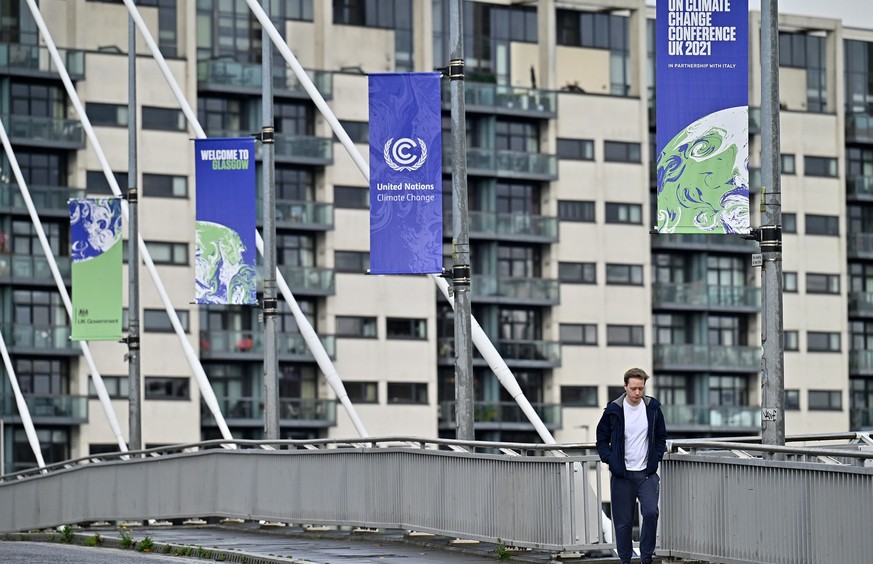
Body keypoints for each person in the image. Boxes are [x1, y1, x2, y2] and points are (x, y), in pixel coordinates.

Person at [596, 368, 668, 564]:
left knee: (651, 513)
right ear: (625, 387)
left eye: (641, 388)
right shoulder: (613, 410)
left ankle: (646, 559)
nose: (637, 393)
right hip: (623, 475)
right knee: (623, 523)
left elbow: (661, 436)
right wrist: (610, 460)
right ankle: (625, 560)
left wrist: (656, 457)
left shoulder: (652, 408)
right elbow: (601, 439)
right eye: (634, 388)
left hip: (647, 474)